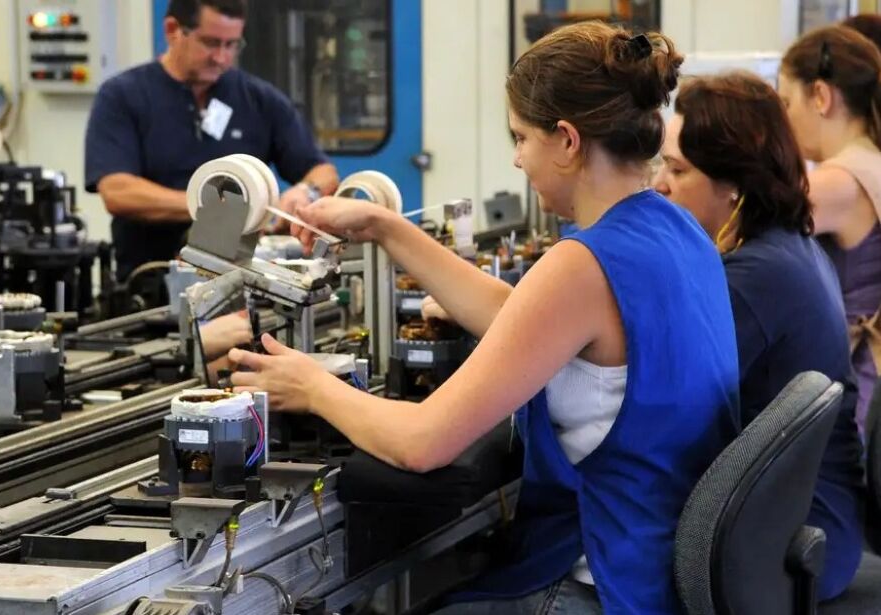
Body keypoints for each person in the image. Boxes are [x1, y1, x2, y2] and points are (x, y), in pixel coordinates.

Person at [228, 21, 741, 614]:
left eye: (522, 138)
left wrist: (313, 387)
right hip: (662, 566)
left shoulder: (583, 263)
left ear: (568, 142)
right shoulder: (676, 229)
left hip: (603, 581)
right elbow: (521, 319)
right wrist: (387, 229)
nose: (518, 158)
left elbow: (422, 443)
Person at [653, 70, 865, 601]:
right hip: (812, 525)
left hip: (786, 541)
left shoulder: (754, 278)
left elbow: (657, 401)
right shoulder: (787, 246)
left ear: (733, 185)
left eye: (677, 170)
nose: (659, 183)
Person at [84, 0, 338, 282]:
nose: (221, 57)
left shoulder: (259, 100)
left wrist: (306, 191)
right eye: (210, 43)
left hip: (244, 282)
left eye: (231, 45)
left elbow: (323, 172)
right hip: (149, 283)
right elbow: (118, 191)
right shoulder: (123, 96)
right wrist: (215, 209)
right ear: (172, 30)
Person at [778, 25, 881, 430]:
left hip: (862, 378)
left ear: (820, 96)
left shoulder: (838, 181)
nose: (784, 119)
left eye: (786, 103)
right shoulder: (871, 159)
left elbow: (748, 230)